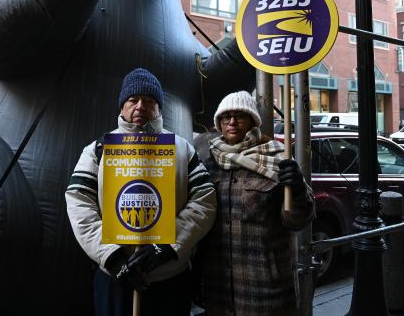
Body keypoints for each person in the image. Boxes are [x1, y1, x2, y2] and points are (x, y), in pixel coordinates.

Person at [66, 68, 216, 316]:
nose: (139, 106)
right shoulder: (98, 149)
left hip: (169, 278)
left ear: (158, 108)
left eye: (148, 101)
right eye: (132, 100)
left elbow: (205, 200)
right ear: (122, 106)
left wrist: (168, 246)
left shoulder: (182, 149)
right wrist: (112, 257)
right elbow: (79, 203)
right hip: (116, 278)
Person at [198, 91, 315, 316]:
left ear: (253, 121)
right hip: (218, 288)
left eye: (239, 116)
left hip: (265, 289)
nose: (231, 122)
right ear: (219, 123)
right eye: (225, 117)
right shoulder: (209, 163)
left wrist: (298, 191)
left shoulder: (277, 159)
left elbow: (297, 221)